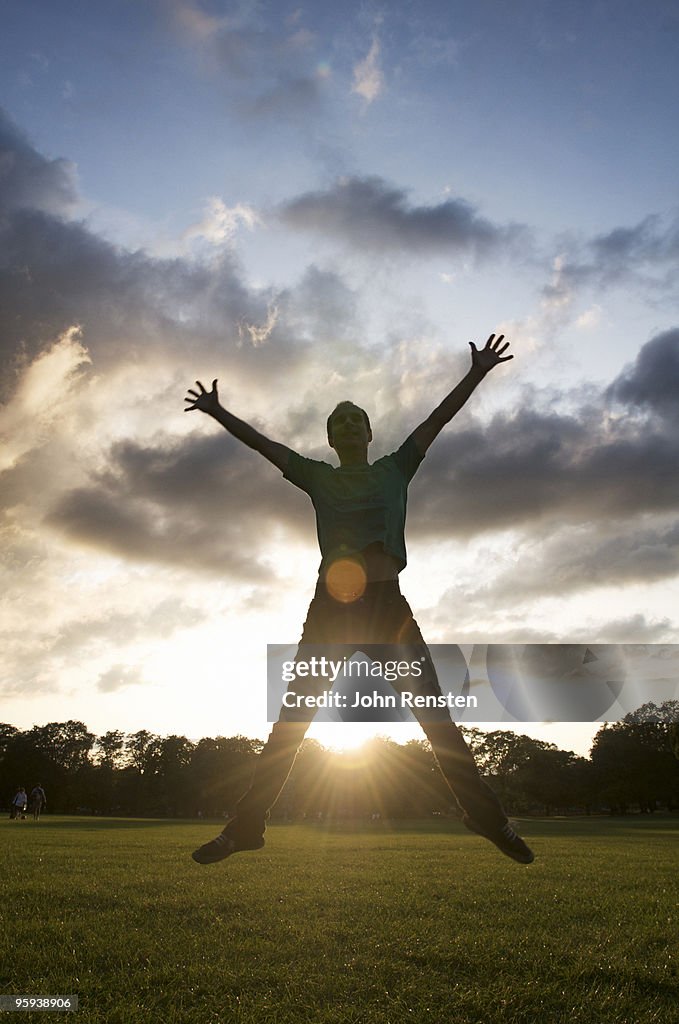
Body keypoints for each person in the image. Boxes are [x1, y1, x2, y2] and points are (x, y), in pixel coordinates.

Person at [185, 333, 534, 865]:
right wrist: (217, 411)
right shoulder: (317, 476)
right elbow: (263, 445)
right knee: (291, 724)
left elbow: (438, 419)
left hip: (388, 609)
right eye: (338, 422)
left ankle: (486, 818)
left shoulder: (396, 468)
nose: (348, 425)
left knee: (435, 719)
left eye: (356, 420)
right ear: (330, 440)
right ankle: (246, 827)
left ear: (370, 432)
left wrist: (478, 372)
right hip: (331, 612)